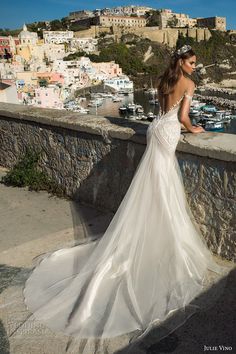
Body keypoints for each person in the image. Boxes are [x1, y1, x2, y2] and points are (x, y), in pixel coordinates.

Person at [23, 45, 228, 352]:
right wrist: (193, 129)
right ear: (182, 61)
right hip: (170, 132)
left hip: (155, 129)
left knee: (154, 180)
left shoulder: (165, 79)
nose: (194, 67)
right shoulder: (189, 83)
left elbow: (163, 111)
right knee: (162, 182)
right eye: (192, 62)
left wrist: (179, 122)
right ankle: (162, 235)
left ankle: (151, 231)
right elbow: (184, 117)